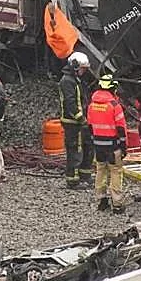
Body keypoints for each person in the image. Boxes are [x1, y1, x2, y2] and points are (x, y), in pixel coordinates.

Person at [87, 73, 127, 213]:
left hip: (98, 145)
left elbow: (90, 126)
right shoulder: (114, 105)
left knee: (100, 170)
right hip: (113, 145)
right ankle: (117, 204)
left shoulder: (92, 105)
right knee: (116, 172)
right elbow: (121, 129)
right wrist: (123, 146)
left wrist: (94, 141)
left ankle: (101, 201)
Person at [59, 52, 95, 188]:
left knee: (87, 147)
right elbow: (70, 103)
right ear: (74, 66)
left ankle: (85, 175)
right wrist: (81, 118)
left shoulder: (76, 80)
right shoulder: (67, 81)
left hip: (80, 122)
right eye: (82, 68)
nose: (84, 71)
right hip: (72, 123)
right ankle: (72, 180)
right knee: (75, 150)